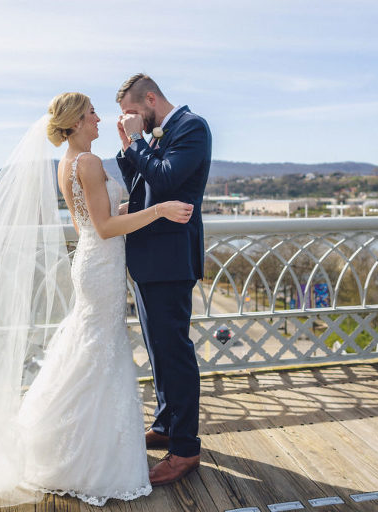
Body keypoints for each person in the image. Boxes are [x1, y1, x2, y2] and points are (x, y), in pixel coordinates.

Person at [0, 92, 194, 508]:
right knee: (96, 350)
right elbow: (104, 226)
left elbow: (87, 219)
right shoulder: (85, 162)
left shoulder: (69, 163)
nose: (99, 118)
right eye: (91, 114)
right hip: (100, 263)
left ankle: (69, 441)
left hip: (92, 261)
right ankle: (79, 455)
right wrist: (158, 211)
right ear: (77, 122)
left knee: (90, 347)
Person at [116, 74, 212, 485]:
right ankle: (167, 423)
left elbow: (167, 179)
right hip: (147, 258)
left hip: (171, 260)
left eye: (132, 112)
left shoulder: (192, 127)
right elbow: (141, 186)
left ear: (150, 99)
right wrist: (128, 147)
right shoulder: (154, 135)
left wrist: (139, 143)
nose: (129, 120)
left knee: (174, 351)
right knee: (157, 350)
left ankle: (186, 448)